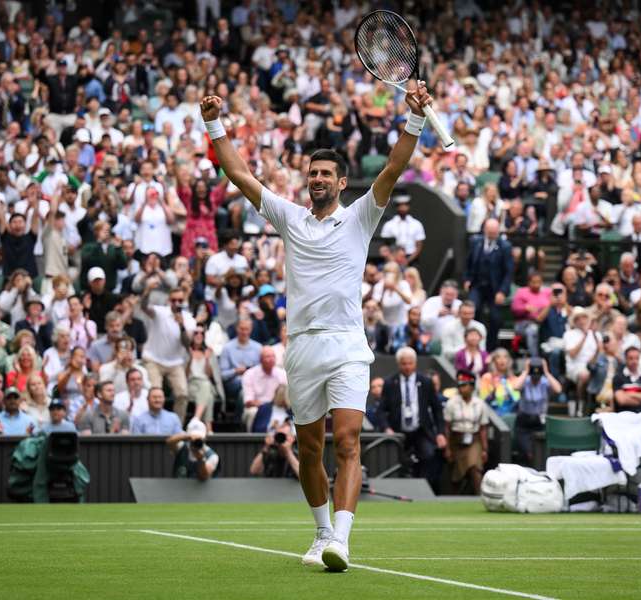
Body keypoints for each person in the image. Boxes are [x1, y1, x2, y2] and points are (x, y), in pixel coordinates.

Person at [201, 79, 432, 571]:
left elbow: (394, 167)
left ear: (342, 182)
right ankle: (321, 532)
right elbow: (239, 173)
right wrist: (214, 123)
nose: (319, 179)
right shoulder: (290, 218)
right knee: (310, 450)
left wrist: (413, 117)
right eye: (313, 173)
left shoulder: (362, 216)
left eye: (327, 173)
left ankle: (342, 541)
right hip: (302, 348)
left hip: (348, 346)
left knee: (347, 440)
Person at [376, 347, 446, 493]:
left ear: (415, 363)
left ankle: (423, 489)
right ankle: (399, 490)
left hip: (421, 430)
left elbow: (437, 409)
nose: (407, 367)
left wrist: (440, 433)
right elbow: (381, 410)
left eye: (410, 363)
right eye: (404, 364)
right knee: (396, 460)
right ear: (398, 364)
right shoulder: (389, 383)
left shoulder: (426, 382)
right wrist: (386, 428)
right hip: (397, 431)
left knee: (429, 455)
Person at [139, 283, 195, 424]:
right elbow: (144, 307)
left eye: (180, 301)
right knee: (155, 392)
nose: (177, 303)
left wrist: (181, 325)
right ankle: (152, 424)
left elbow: (187, 343)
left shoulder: (189, 319)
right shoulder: (160, 312)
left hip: (175, 362)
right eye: (174, 300)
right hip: (153, 359)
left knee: (182, 394)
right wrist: (147, 291)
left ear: (184, 302)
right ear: (169, 301)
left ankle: (176, 426)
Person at [464, 218, 514, 351]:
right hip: (477, 284)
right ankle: (472, 345)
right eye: (490, 231)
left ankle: (490, 347)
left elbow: (509, 272)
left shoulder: (505, 246)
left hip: (495, 288)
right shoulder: (476, 242)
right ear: (485, 230)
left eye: (495, 231)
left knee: (495, 318)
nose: (492, 234)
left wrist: (502, 291)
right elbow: (468, 263)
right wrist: (467, 279)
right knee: (473, 311)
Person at [443, 371, 490, 495]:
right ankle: (453, 499)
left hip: (474, 440)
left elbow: (483, 428)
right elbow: (447, 427)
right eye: (459, 385)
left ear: (472, 386)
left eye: (464, 385)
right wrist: (448, 447)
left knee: (475, 467)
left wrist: (485, 449)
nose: (461, 388)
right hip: (457, 439)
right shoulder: (452, 403)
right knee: (457, 474)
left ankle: (480, 496)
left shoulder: (480, 404)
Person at [512, 358, 562, 465]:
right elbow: (515, 387)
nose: (536, 378)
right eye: (533, 375)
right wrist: (526, 371)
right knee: (528, 453)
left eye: (538, 375)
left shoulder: (544, 382)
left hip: (540, 421)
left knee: (541, 451)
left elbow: (558, 389)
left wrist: (546, 372)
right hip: (524, 422)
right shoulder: (525, 381)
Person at [241, 347, 287, 431]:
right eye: (268, 357)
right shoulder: (249, 374)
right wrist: (264, 406)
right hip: (257, 407)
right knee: (251, 412)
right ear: (260, 359)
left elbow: (286, 398)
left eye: (273, 356)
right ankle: (252, 439)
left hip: (276, 406)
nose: (271, 359)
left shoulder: (282, 373)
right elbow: (248, 402)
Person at [379, 195, 425, 266]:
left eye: (405, 205)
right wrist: (392, 259)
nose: (403, 208)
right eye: (400, 205)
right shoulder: (389, 224)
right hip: (393, 259)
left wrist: (408, 260)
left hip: (411, 259)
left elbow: (419, 246)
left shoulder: (417, 224)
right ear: (396, 207)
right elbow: (385, 245)